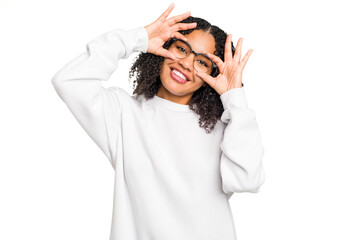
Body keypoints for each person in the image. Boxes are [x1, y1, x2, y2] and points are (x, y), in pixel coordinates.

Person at [51, 3, 265, 240]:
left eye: (202, 62)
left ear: (211, 77)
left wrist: (233, 98)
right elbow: (69, 81)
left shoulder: (225, 127)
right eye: (181, 49)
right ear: (163, 48)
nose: (185, 63)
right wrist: (136, 39)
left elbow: (247, 179)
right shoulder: (123, 113)